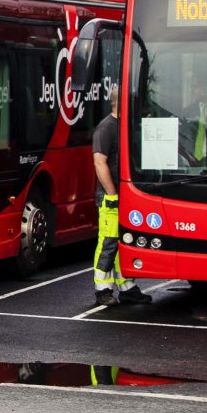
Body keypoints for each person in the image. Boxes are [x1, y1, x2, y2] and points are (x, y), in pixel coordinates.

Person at [89, 106, 149, 307]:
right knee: (108, 243)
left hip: (127, 195)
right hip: (111, 198)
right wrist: (112, 194)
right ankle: (102, 290)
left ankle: (127, 288)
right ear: (120, 103)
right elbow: (99, 163)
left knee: (124, 242)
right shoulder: (106, 128)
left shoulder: (124, 125)